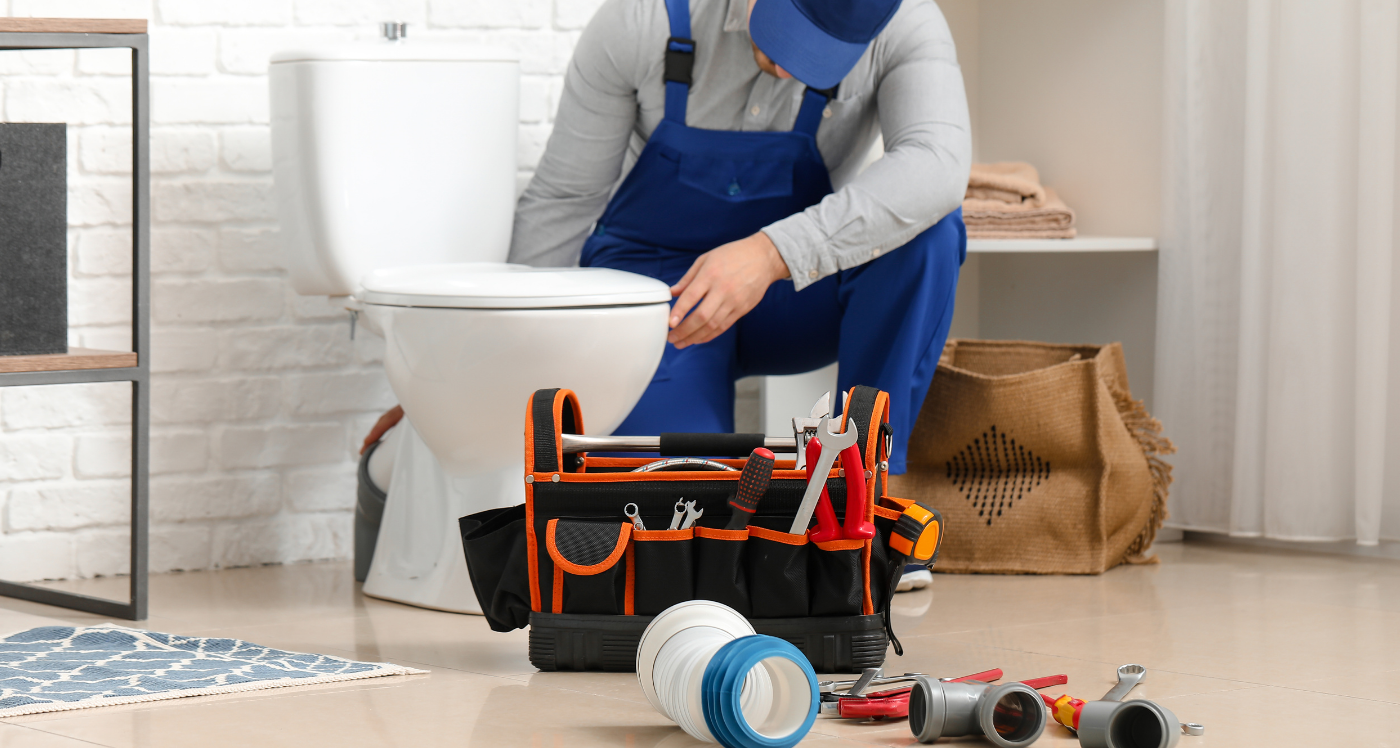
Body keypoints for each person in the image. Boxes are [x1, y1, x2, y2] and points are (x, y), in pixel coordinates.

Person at [363, 0, 969, 591]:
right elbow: (564, 200)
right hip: (661, 306)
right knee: (679, 523)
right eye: (784, 39)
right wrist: (469, 370)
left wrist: (769, 254)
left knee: (930, 234)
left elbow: (938, 164)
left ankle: (866, 510)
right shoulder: (642, 19)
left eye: (821, 56)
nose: (790, 68)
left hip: (785, 288)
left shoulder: (906, 22)